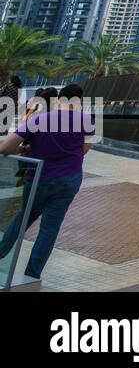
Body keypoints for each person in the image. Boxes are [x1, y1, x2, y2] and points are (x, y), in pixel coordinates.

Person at [0, 84, 96, 281]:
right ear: (78, 101)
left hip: (38, 178)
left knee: (24, 216)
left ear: (60, 98)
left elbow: (6, 147)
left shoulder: (39, 119)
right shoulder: (87, 121)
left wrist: (23, 151)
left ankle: (1, 252)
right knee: (50, 228)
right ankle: (32, 275)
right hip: (69, 180)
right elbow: (84, 150)